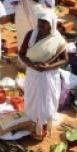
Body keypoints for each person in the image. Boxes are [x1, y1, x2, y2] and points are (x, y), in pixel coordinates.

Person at [18, 10, 68, 139]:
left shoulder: (57, 40)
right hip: (33, 74)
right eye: (40, 21)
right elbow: (22, 54)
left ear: (51, 24)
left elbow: (65, 59)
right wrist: (32, 65)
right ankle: (32, 127)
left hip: (49, 76)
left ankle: (44, 129)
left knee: (47, 102)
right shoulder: (31, 35)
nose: (41, 24)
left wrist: (48, 67)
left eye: (45, 22)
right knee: (32, 101)